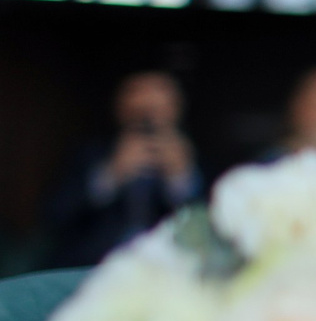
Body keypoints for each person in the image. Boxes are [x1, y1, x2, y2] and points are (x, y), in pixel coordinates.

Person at [38, 70, 200, 269]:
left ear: (176, 111)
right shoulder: (88, 154)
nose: (149, 118)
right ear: (120, 108)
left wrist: (179, 177)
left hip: (170, 270)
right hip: (92, 269)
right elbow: (53, 216)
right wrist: (111, 174)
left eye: (159, 109)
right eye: (141, 110)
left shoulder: (194, 159)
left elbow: (210, 227)